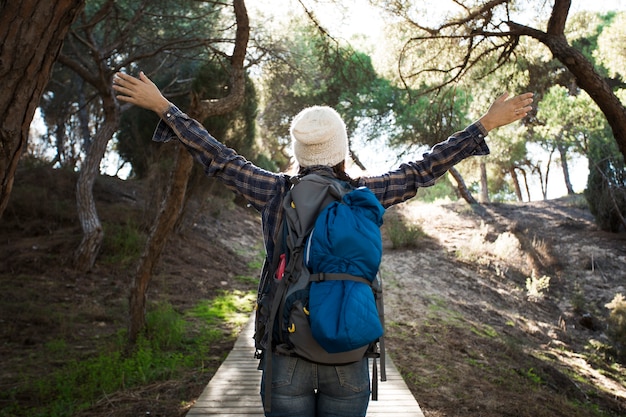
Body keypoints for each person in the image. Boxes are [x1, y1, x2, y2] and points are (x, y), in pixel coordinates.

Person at [113, 71, 533, 417]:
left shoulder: (274, 191)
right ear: (341, 150)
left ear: (298, 151)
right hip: (348, 353)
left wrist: (164, 108)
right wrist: (484, 125)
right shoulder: (366, 193)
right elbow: (423, 169)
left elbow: (218, 157)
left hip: (286, 352)